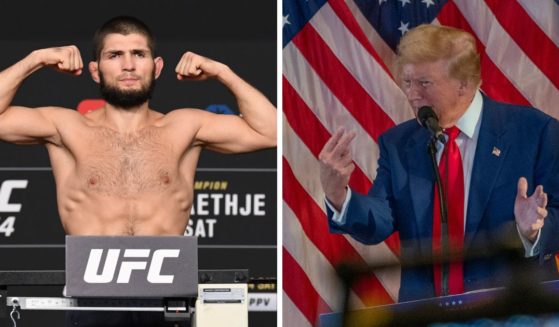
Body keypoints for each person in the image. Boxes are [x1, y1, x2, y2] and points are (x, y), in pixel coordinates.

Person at [0, 16, 276, 326]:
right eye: (114, 55)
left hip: (167, 297)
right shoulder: (65, 126)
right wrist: (34, 60)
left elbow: (272, 131)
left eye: (139, 54)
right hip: (92, 298)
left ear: (156, 66)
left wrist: (222, 73)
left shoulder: (184, 126)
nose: (128, 65)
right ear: (95, 70)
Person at [319, 24, 559, 302]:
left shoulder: (535, 132)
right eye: (407, 83)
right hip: (427, 314)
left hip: (511, 312)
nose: (412, 94)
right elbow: (380, 221)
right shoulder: (398, 144)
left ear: (464, 83)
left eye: (424, 83)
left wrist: (533, 231)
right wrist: (339, 196)